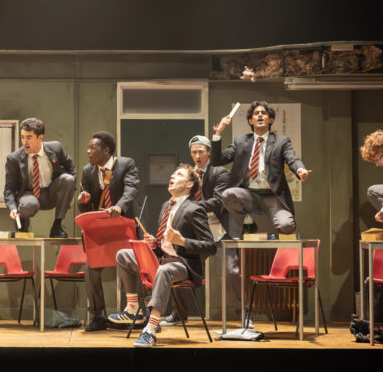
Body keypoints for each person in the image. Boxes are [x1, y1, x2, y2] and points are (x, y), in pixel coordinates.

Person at [108, 164, 216, 347]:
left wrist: (183, 241)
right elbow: (164, 245)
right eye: (173, 174)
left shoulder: (194, 209)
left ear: (190, 184)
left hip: (183, 264)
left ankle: (150, 330)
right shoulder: (166, 205)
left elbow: (210, 247)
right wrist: (155, 244)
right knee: (123, 254)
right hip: (162, 258)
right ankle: (133, 308)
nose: (172, 176)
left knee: (165, 270)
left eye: (179, 174)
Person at [161, 135, 233, 326]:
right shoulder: (188, 174)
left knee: (229, 270)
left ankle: (241, 313)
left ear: (209, 152)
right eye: (194, 151)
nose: (197, 155)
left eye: (201, 151)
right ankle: (179, 313)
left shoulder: (219, 172)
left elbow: (219, 200)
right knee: (181, 262)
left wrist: (192, 205)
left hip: (217, 227)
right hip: (192, 227)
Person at [212, 101, 310, 239]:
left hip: (272, 196)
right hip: (248, 195)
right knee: (228, 194)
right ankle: (247, 224)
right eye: (256, 113)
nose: (260, 115)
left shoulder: (281, 141)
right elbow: (217, 160)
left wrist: (300, 169)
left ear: (270, 120)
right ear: (251, 121)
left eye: (264, 113)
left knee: (287, 226)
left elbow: (292, 158)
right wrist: (219, 131)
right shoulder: (241, 141)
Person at [77, 131, 140, 332]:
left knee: (132, 268)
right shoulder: (88, 171)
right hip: (101, 229)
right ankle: (97, 316)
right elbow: (88, 208)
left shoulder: (126, 164)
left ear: (106, 151)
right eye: (88, 147)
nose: (88, 151)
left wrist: (119, 207)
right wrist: (84, 202)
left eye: (92, 148)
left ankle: (137, 314)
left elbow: (131, 190)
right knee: (91, 268)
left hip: (124, 225)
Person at [4, 117, 76, 238]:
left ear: (40, 137)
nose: (24, 142)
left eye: (29, 137)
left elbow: (71, 168)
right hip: (29, 195)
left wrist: (69, 192)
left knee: (68, 179)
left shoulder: (56, 148)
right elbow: (9, 189)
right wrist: (12, 208)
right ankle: (22, 221)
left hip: (51, 192)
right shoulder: (14, 158)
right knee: (28, 205)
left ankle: (57, 226)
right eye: (22, 137)